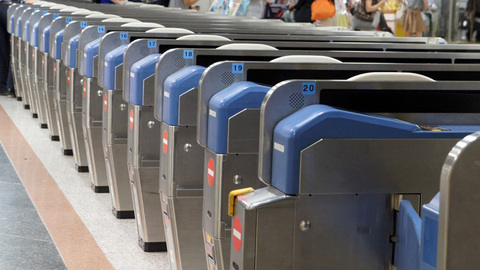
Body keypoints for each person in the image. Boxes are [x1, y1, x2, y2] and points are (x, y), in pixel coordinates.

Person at [0, 0, 14, 96]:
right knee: (14, 49)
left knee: (2, 50)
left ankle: (3, 86)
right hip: (8, 7)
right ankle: (11, 86)